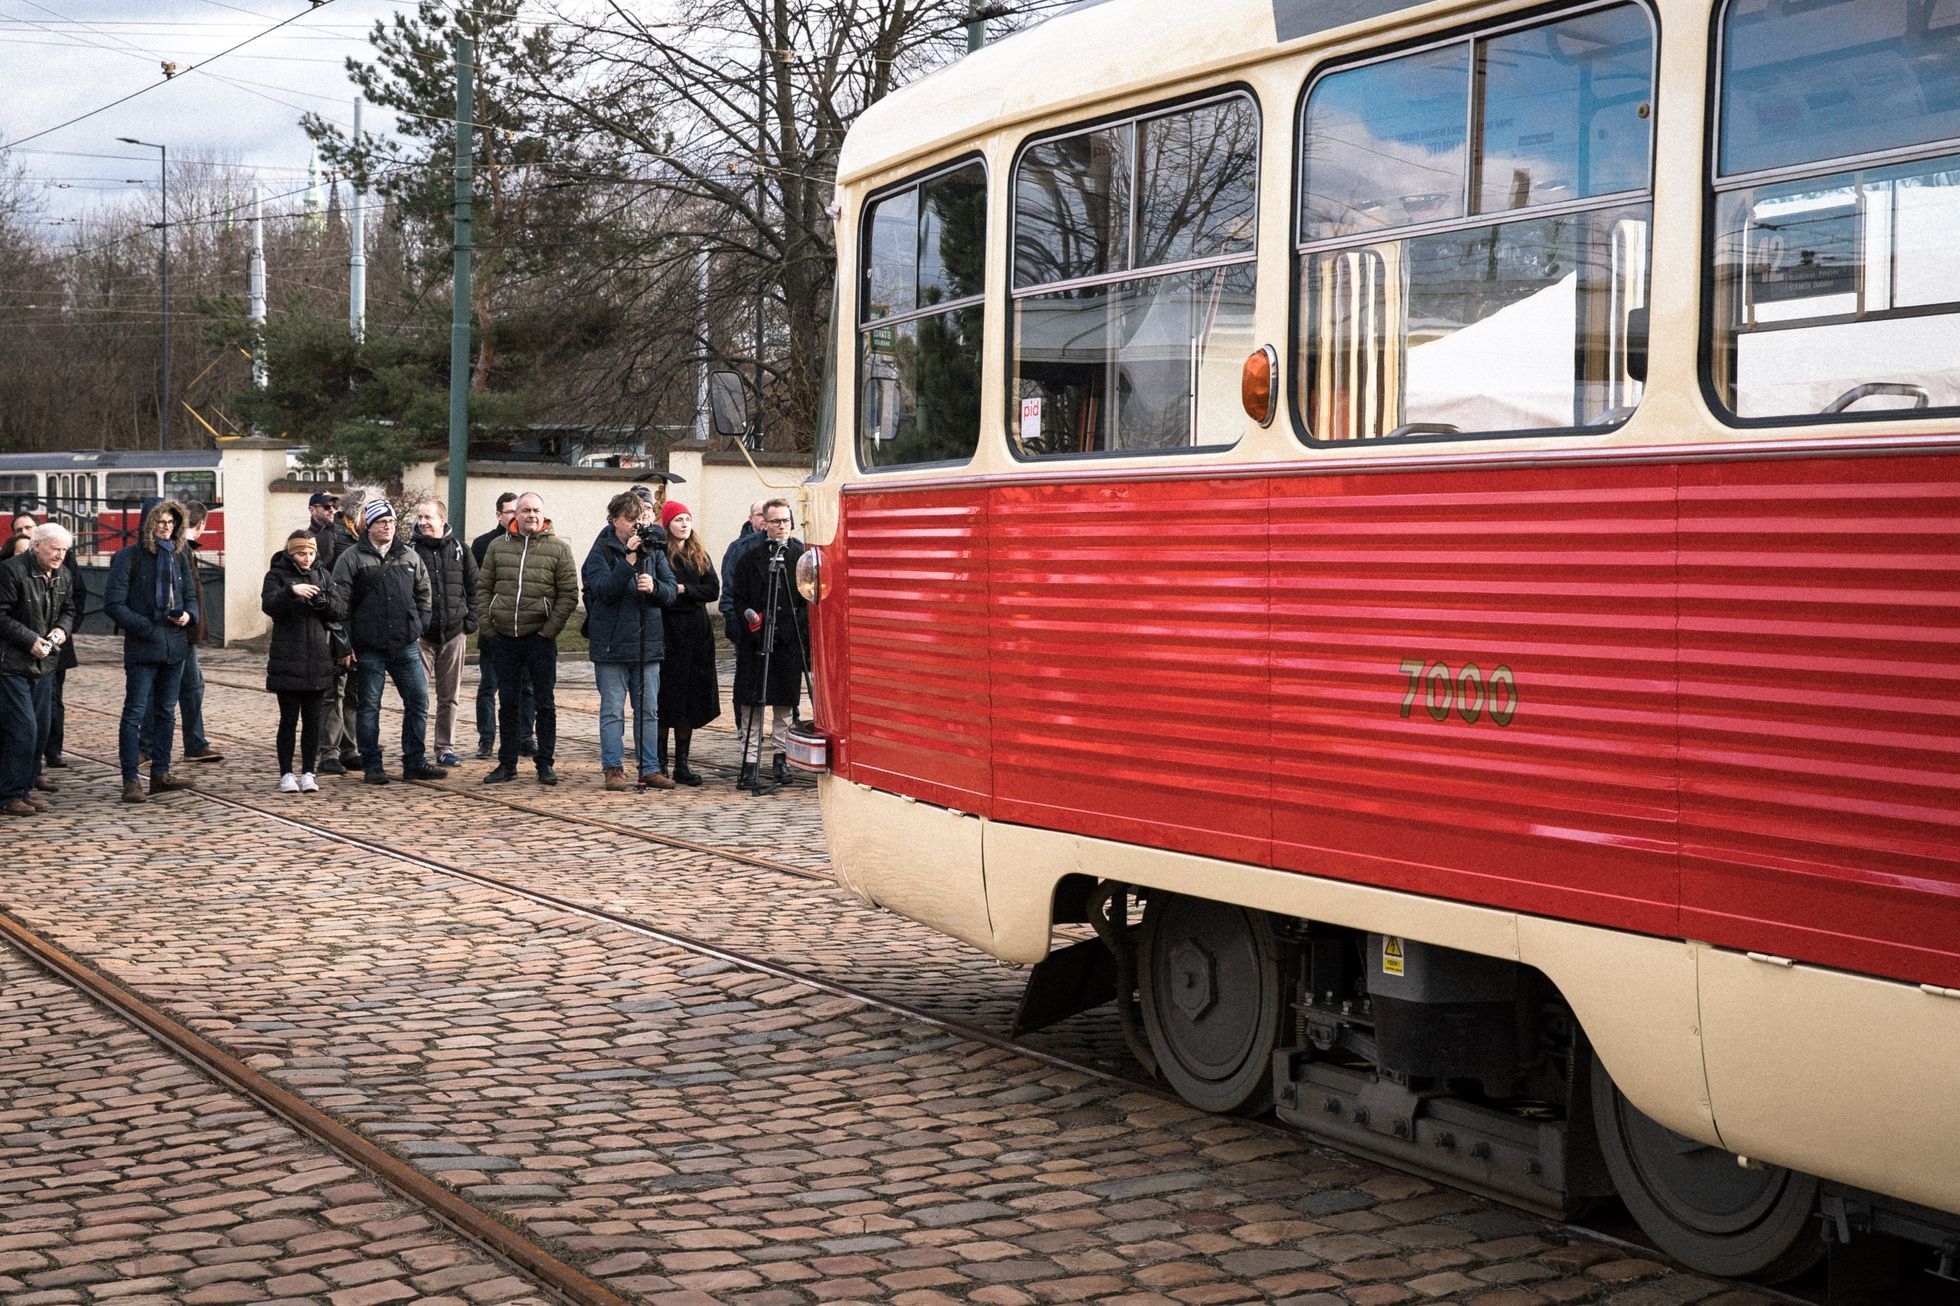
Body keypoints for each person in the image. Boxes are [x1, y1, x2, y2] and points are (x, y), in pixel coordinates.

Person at [331, 497, 444, 785]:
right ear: (368, 525)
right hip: (368, 647)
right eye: (382, 522)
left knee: (418, 700)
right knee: (369, 705)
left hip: (405, 643)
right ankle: (372, 764)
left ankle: (414, 760)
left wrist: (419, 624)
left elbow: (424, 592)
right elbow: (339, 604)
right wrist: (346, 642)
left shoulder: (408, 555)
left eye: (392, 522)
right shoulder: (351, 558)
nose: (388, 527)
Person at [476, 491, 578, 786]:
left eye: (536, 510)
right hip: (504, 637)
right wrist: (490, 628)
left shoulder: (558, 549)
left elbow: (569, 593)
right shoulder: (497, 547)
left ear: (543, 515)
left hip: (540, 638)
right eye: (525, 510)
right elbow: (483, 590)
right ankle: (506, 764)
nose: (531, 515)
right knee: (507, 703)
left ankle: (545, 763)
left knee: (544, 703)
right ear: (514, 515)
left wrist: (549, 631)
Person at [103, 499, 198, 804]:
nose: (166, 527)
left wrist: (188, 616)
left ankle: (161, 772)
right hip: (143, 647)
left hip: (175, 647)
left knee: (167, 712)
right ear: (148, 524)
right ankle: (131, 779)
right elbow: (114, 604)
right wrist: (146, 627)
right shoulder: (128, 557)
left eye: (171, 522)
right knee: (134, 713)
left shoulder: (179, 556)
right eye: (160, 522)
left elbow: (191, 595)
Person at [582, 491, 677, 791]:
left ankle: (650, 767)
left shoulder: (655, 550)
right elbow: (603, 590)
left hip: (647, 643)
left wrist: (656, 587)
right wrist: (629, 560)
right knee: (612, 711)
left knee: (648, 711)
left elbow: (672, 591)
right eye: (630, 520)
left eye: (640, 519)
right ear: (614, 520)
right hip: (610, 646)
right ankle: (613, 768)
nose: (637, 525)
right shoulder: (601, 551)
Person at [728, 498, 807, 788]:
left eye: (785, 521)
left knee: (784, 705)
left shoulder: (802, 555)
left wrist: (789, 627)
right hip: (755, 642)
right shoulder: (750, 557)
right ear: (764, 524)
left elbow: (809, 601)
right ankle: (749, 762)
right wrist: (751, 620)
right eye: (775, 521)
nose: (781, 526)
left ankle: (781, 758)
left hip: (788, 642)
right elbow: (738, 599)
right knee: (752, 704)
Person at [0, 523, 76, 817]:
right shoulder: (11, 571)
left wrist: (60, 631)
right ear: (37, 546)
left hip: (45, 664)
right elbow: (2, 615)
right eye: (55, 549)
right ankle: (9, 795)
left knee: (40, 731)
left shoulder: (63, 575)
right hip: (12, 664)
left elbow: (69, 609)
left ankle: (24, 789)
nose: (60, 555)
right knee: (23, 730)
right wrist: (29, 639)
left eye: (65, 550)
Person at [261, 529, 342, 794]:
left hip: (318, 658)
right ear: (291, 553)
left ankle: (309, 771)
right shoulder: (276, 575)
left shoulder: (323, 575)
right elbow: (269, 605)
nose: (306, 558)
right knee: (288, 720)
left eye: (310, 553)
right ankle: (286, 773)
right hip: (288, 657)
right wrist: (291, 591)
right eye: (301, 553)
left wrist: (323, 602)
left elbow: (339, 609)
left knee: (313, 720)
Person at [150, 500, 224, 766]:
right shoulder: (179, 549)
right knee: (177, 689)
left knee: (191, 686)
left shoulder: (180, 548)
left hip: (183, 628)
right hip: (178, 631)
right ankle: (168, 745)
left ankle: (193, 742)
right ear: (202, 524)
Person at [410, 497, 478, 768]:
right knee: (417, 695)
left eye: (428, 517)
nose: (423, 522)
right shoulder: (410, 550)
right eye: (420, 517)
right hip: (421, 636)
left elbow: (474, 586)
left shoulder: (461, 549)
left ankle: (445, 748)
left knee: (449, 697)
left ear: (442, 520)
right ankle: (414, 748)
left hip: (453, 633)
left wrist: (469, 621)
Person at [657, 500, 720, 786]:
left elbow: (712, 589)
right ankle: (659, 763)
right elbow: (661, 591)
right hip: (670, 632)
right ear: (668, 524)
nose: (684, 524)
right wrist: (684, 592)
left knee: (690, 698)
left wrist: (684, 590)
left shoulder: (699, 555)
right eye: (678, 520)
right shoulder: (661, 554)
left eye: (687, 519)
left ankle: (682, 762)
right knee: (667, 698)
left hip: (697, 632)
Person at [470, 491, 534, 760]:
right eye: (509, 511)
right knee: (489, 686)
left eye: (516, 510)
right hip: (495, 629)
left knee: (526, 688)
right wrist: (485, 622)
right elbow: (478, 588)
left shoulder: (533, 541)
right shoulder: (484, 544)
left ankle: (524, 737)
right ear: (499, 515)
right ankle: (486, 738)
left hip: (527, 629)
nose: (514, 515)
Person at [319, 487, 370, 773]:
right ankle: (329, 750)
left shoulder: (363, 540)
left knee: (354, 692)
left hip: (360, 626)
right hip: (336, 626)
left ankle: (350, 748)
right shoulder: (331, 537)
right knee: (333, 691)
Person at [719, 499, 769, 739]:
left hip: (777, 627)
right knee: (747, 680)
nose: (764, 519)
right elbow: (729, 591)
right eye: (759, 514)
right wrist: (735, 623)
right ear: (751, 518)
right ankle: (745, 729)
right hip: (746, 626)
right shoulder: (739, 548)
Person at [306, 491, 345, 571]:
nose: (332, 510)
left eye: (335, 506)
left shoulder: (344, 532)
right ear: (312, 510)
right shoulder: (306, 538)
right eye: (326, 506)